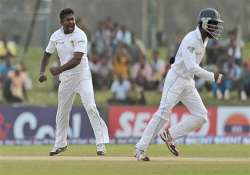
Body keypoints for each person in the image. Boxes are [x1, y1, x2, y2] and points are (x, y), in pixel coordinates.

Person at [135, 8, 224, 161]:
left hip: (188, 82)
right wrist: (212, 76)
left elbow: (189, 66)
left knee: (201, 116)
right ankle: (140, 149)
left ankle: (170, 135)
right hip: (176, 79)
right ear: (203, 23)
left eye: (216, 24)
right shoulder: (191, 39)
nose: (215, 27)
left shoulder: (205, 39)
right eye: (213, 23)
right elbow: (191, 67)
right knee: (163, 113)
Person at [38, 8, 109, 156]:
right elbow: (46, 54)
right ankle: (60, 144)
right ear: (61, 22)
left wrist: (58, 69)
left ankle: (101, 144)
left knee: (91, 107)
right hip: (66, 80)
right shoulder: (55, 36)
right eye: (68, 20)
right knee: (62, 112)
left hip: (82, 77)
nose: (71, 22)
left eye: (73, 19)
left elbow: (77, 59)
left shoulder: (80, 34)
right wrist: (42, 72)